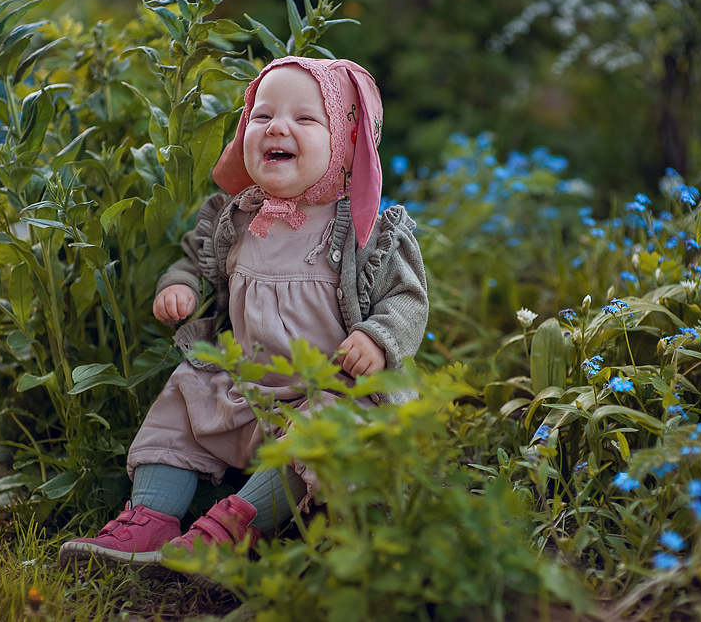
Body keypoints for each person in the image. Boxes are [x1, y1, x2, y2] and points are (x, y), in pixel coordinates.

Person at [59, 56, 429, 570]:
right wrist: (182, 287)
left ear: (345, 140)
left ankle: (235, 524)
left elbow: (407, 300)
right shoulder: (234, 218)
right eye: (262, 115)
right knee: (183, 399)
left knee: (325, 430)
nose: (277, 126)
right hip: (245, 386)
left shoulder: (369, 232)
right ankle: (149, 517)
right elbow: (195, 262)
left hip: (330, 388)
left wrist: (377, 337)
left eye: (305, 118)